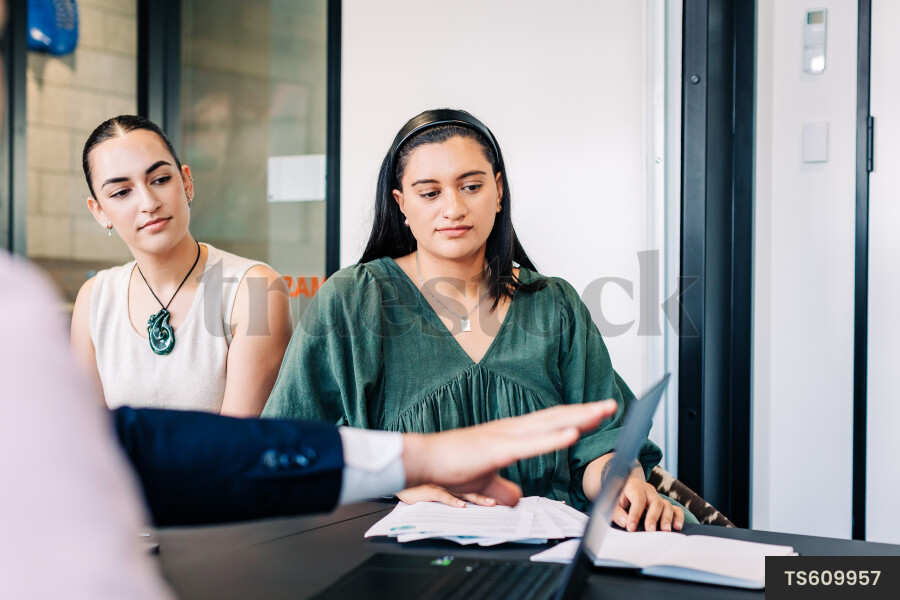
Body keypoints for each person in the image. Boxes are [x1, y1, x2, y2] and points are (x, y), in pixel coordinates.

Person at [1, 249, 616, 599]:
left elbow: (130, 447)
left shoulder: (554, 303)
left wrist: (414, 456)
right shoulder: (356, 298)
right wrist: (405, 470)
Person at [262, 109, 690, 532]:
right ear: (401, 205)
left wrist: (624, 483)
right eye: (429, 193)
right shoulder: (353, 301)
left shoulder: (555, 304)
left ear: (498, 190)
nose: (454, 208)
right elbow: (284, 449)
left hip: (548, 548)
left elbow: (601, 446)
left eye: (471, 186)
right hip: (399, 559)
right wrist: (391, 478)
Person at [70, 115, 293, 416]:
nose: (148, 203)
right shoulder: (94, 298)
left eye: (160, 180)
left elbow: (236, 447)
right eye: (122, 192)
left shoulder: (255, 289)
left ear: (186, 182)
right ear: (99, 211)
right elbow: (88, 438)